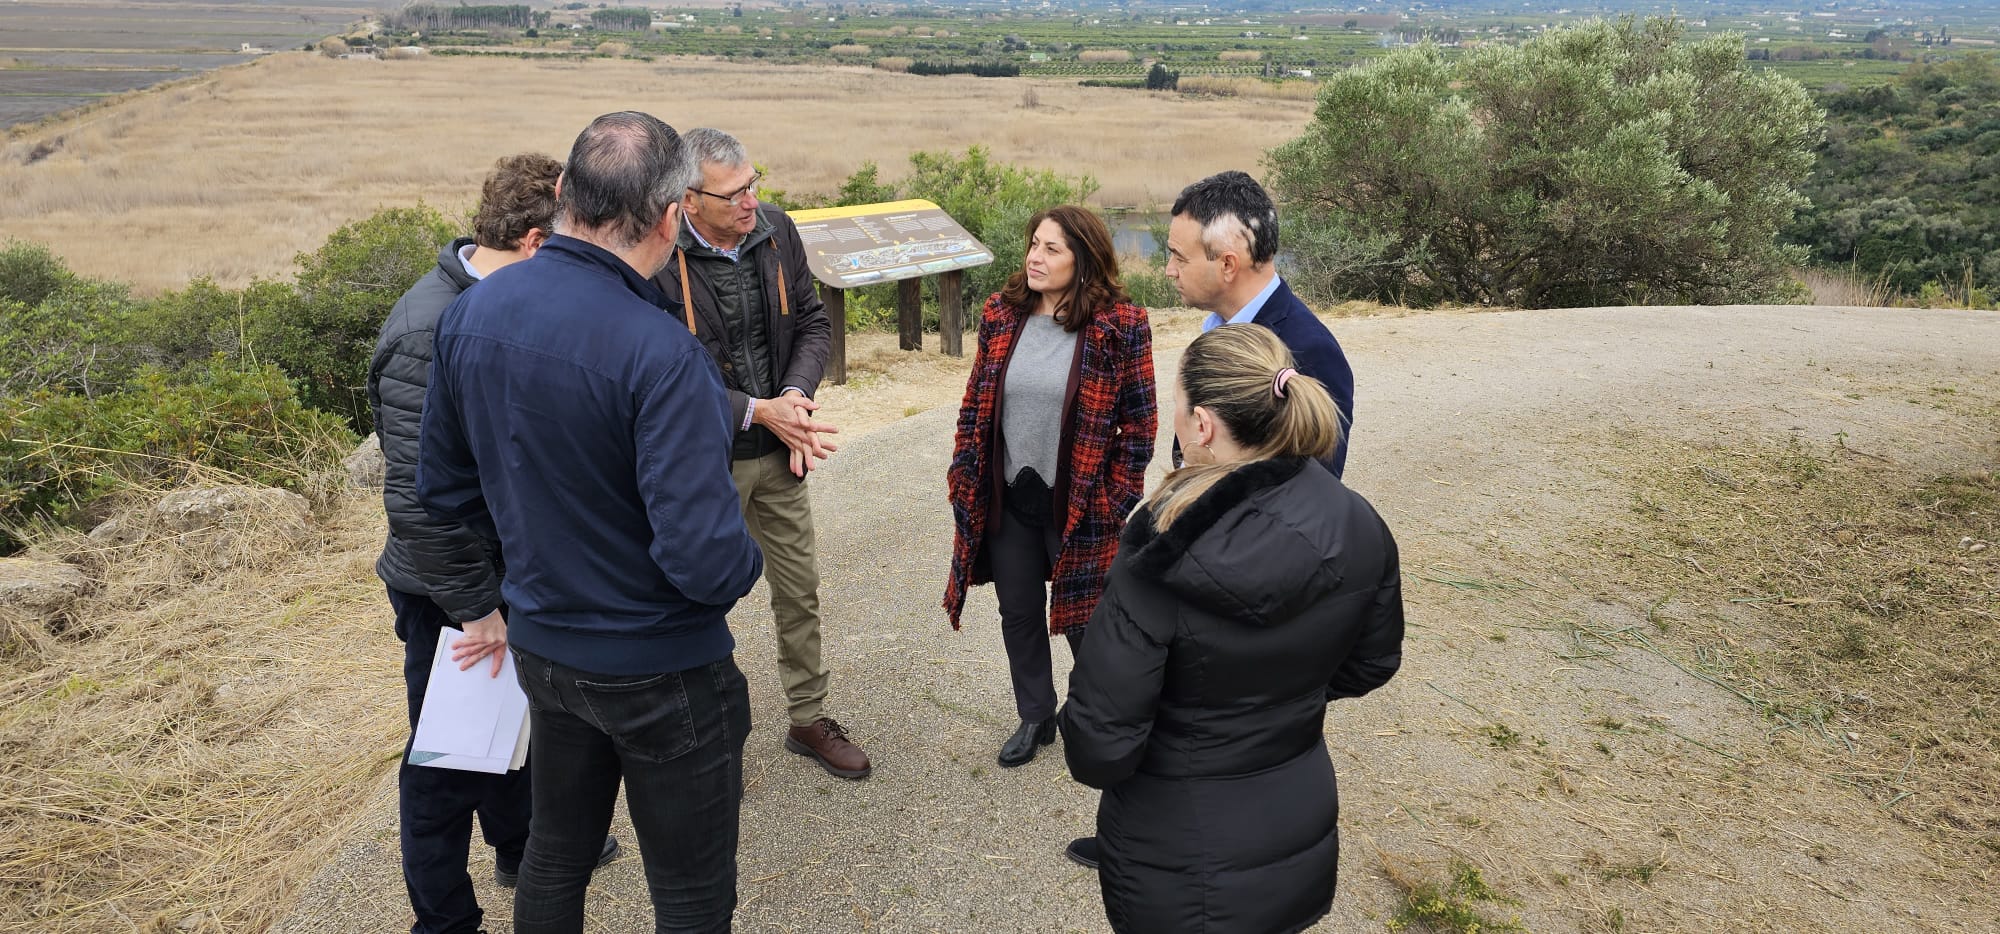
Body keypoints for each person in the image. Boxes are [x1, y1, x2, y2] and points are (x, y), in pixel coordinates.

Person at [418, 112, 763, 934]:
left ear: (567, 193)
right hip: (664, 666)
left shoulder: (471, 314)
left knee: (556, 855)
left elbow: (445, 490)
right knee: (689, 896)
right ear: (675, 213)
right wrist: (746, 559)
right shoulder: (660, 352)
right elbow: (707, 563)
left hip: (545, 651)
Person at [1059, 323, 1405, 934]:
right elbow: (1372, 663)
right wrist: (1278, 696)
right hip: (1295, 825)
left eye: (1178, 407)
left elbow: (1099, 748)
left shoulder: (1159, 555)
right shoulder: (1357, 520)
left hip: (1175, 856)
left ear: (1204, 426)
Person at [367, 153, 617, 934]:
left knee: (511, 723)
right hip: (451, 586)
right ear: (540, 242)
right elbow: (417, 503)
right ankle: (443, 921)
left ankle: (517, 845)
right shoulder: (426, 329)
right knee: (444, 760)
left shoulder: (503, 299)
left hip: (505, 572)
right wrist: (478, 609)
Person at [651, 128, 869, 780]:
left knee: (798, 591)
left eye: (753, 183)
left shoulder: (775, 229)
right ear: (688, 200)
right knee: (692, 602)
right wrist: (753, 408)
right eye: (734, 192)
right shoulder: (657, 261)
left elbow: (812, 320)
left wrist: (795, 397)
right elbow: (662, 375)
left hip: (779, 451)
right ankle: (695, 741)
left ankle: (808, 717)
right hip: (700, 462)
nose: (752, 200)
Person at [943, 205, 1157, 768]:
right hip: (1010, 494)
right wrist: (964, 471)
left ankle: (1102, 721)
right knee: (1018, 611)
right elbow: (976, 403)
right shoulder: (1001, 313)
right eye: (1033, 244)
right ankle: (1036, 715)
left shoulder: (1120, 324)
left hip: (1080, 505)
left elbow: (1140, 424)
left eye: (1052, 249)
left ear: (1083, 259)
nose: (1035, 257)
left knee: (1088, 620)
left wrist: (1113, 502)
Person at [1164, 170, 1356, 477]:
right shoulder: (1218, 328)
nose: (1170, 271)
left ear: (1227, 264)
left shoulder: (1309, 350)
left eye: (1180, 258)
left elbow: (1312, 496)